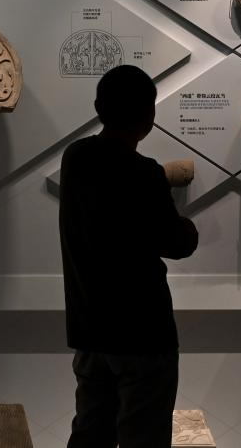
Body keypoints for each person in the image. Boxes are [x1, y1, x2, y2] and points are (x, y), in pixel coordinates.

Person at [59, 64, 199, 448]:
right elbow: (176, 242)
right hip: (142, 333)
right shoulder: (144, 173)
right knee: (144, 438)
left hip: (90, 329)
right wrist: (187, 227)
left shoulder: (76, 157)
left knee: (90, 433)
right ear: (149, 115)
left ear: (98, 108)